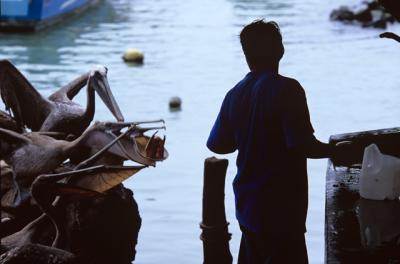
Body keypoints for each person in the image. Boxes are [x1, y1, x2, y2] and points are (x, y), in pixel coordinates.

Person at [206, 20, 340, 264]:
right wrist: (338, 151)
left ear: (246, 55)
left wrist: (247, 130)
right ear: (280, 50)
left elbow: (218, 145)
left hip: (247, 208)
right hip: (282, 211)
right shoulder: (288, 89)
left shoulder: (235, 93)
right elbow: (302, 145)